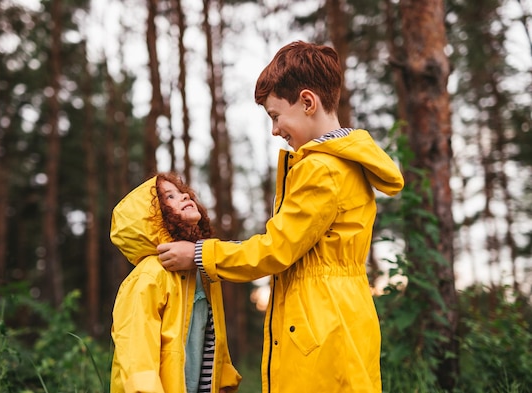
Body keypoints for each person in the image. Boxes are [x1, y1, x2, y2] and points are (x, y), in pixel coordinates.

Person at [157, 41, 404, 393]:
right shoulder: (345, 163)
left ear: (307, 102)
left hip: (319, 324)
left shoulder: (320, 168)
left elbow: (275, 249)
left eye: (275, 116)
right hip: (343, 317)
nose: (274, 130)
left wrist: (198, 255)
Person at [109, 172, 241, 393]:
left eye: (182, 193)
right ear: (152, 219)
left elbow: (214, 335)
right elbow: (136, 356)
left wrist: (224, 379)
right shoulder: (150, 276)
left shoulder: (203, 270)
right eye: (169, 197)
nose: (184, 197)